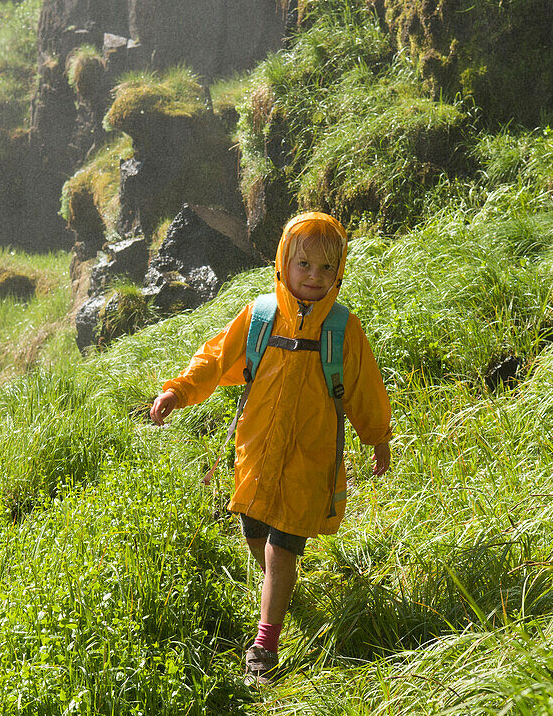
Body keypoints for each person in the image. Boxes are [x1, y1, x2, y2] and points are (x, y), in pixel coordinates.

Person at [149, 211, 392, 686]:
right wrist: (178, 391)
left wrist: (377, 436)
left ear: (339, 271)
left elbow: (365, 388)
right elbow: (216, 357)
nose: (314, 277)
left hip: (309, 460)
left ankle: (266, 642)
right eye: (305, 264)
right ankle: (276, 591)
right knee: (255, 536)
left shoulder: (342, 329)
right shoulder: (261, 316)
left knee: (283, 550)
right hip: (256, 453)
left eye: (326, 268)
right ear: (284, 262)